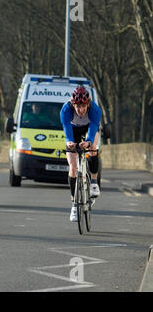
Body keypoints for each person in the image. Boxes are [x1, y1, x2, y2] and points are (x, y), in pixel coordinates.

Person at [60, 85, 102, 222]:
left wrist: (89, 142)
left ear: (87, 104)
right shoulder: (65, 110)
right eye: (77, 106)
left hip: (89, 129)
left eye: (83, 106)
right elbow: (67, 130)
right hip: (73, 131)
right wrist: (71, 142)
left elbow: (94, 127)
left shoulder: (95, 109)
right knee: (72, 166)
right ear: (73, 104)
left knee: (93, 148)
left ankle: (94, 182)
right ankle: (74, 204)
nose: (80, 110)